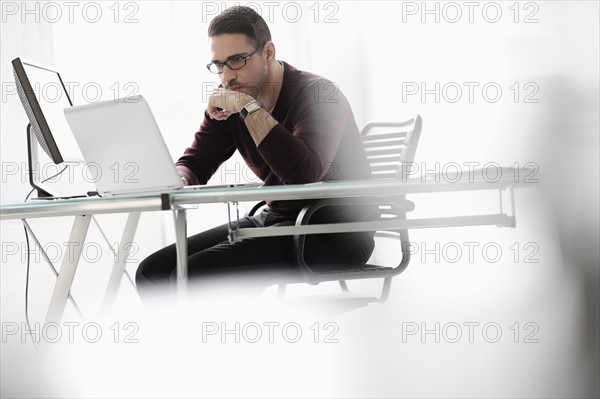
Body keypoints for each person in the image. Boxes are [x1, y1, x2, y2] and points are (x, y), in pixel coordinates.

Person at [135, 6, 378, 301]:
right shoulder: (235, 100)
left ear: (268, 52)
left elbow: (304, 174)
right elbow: (196, 161)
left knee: (193, 276)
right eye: (218, 64)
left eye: (237, 60)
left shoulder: (318, 94)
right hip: (276, 220)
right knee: (154, 272)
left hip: (333, 233)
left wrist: (248, 109)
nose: (226, 76)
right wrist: (178, 178)